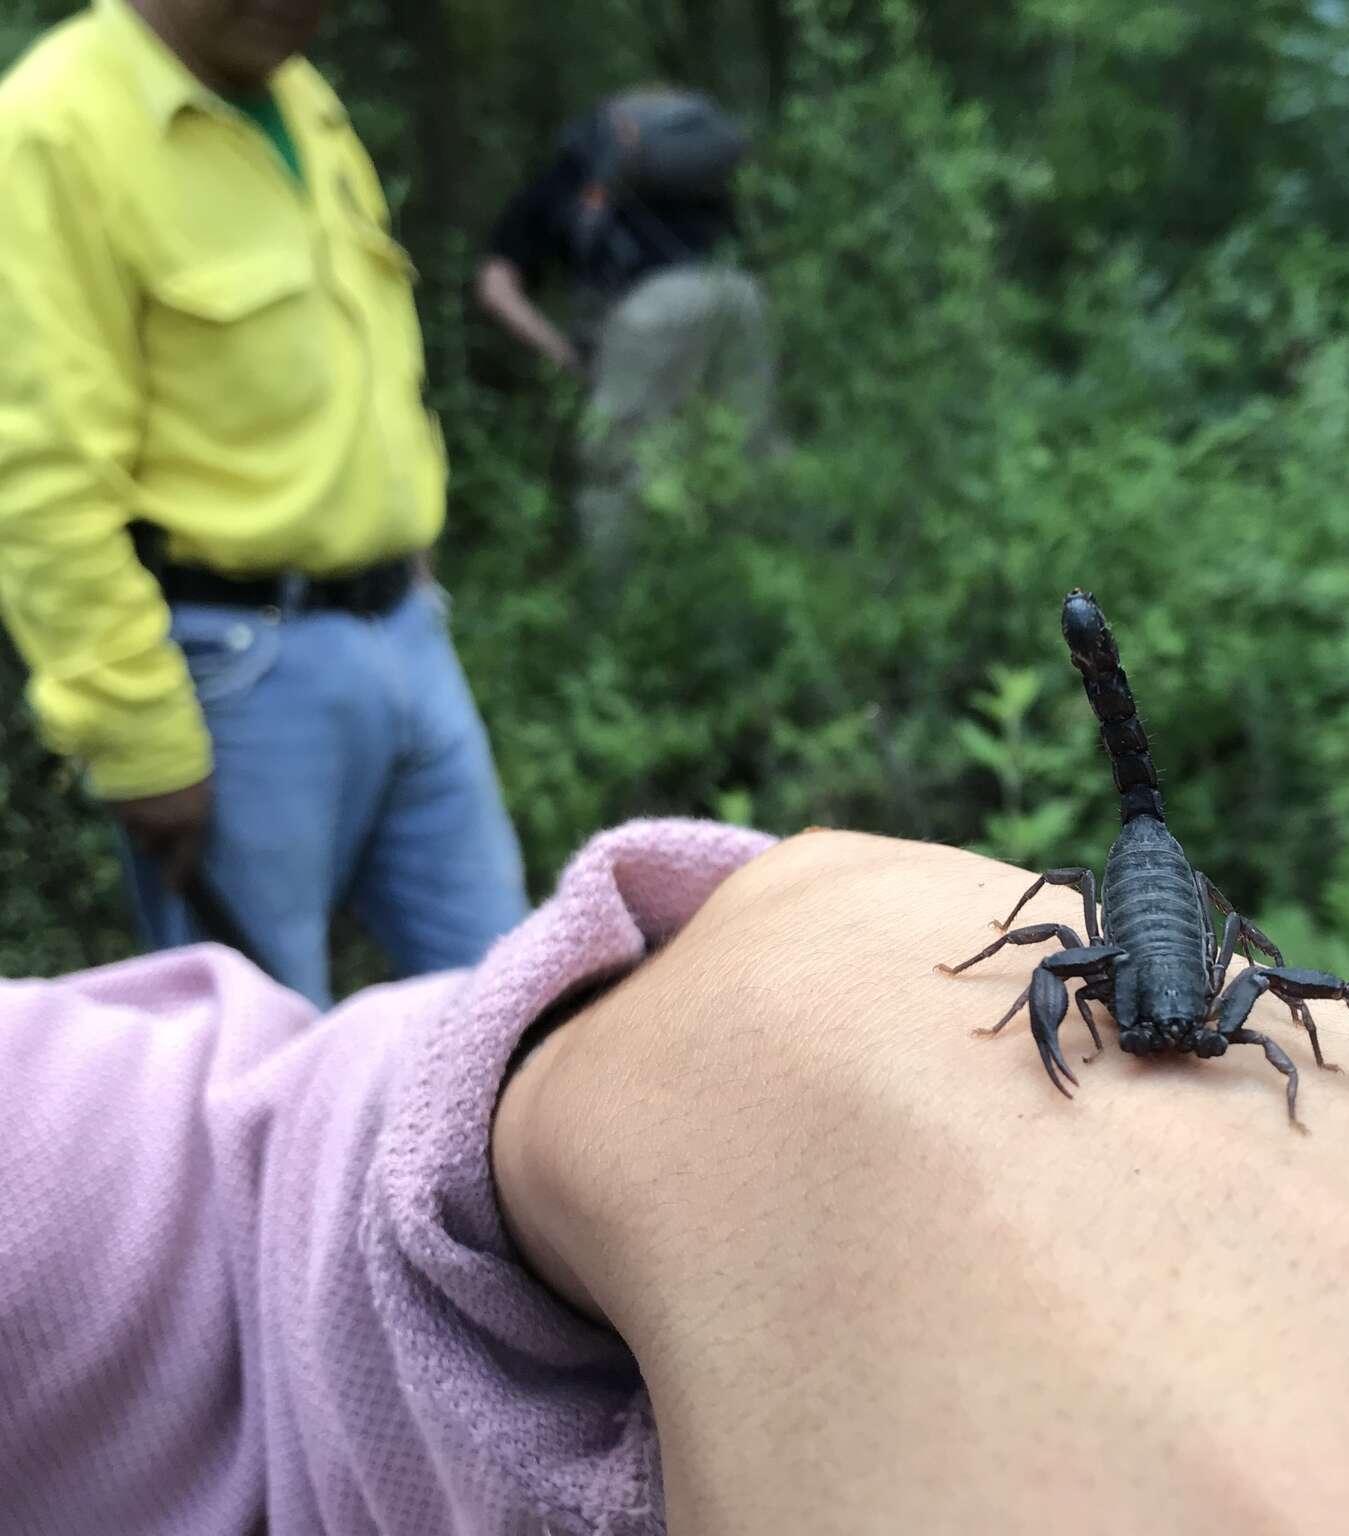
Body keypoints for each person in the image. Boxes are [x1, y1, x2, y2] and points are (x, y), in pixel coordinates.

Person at [2, 821, 1349, 1533]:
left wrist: (754, 1087)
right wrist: (886, 1091)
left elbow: (1270, 993)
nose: (1169, 1043)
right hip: (1125, 906)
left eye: (1194, 1028)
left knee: (1303, 996)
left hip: (1170, 912)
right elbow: (1060, 955)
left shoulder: (1216, 997)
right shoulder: (1104, 959)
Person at [0, 0, 530, 1007]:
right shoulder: (48, 130)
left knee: (514, 1012)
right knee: (263, 1067)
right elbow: (35, 474)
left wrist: (411, 568)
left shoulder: (301, 96)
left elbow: (369, 363)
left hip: (407, 638)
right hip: (232, 676)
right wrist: (136, 734)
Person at [475, 88, 782, 580]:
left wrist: (564, 356)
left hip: (651, 312)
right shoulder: (692, 169)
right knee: (743, 456)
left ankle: (623, 619)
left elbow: (495, 287)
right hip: (740, 296)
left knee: (614, 476)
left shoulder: (565, 173)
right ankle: (760, 595)